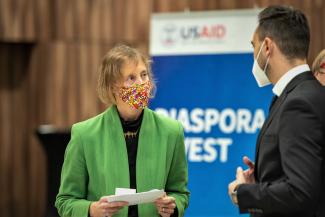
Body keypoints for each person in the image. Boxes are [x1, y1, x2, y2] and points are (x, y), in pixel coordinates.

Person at [55, 44, 189, 217]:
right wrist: (92, 210)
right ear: (113, 87)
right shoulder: (84, 134)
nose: (141, 84)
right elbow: (65, 201)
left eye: (144, 75)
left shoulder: (172, 131)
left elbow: (180, 193)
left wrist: (173, 205)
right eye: (131, 78)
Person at [228, 5, 325, 217]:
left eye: (254, 46)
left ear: (267, 47)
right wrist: (264, 178)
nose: (253, 54)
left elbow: (301, 191)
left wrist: (244, 192)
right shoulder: (304, 94)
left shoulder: (299, 103)